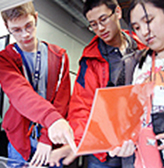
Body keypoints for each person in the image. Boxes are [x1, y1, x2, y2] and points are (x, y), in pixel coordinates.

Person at [48, 0, 146, 167]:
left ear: (118, 13)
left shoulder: (144, 47)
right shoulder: (90, 59)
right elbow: (81, 105)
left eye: (103, 20)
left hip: (138, 143)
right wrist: (77, 142)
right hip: (103, 151)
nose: (100, 28)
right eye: (93, 24)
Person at [0, 1, 75, 167]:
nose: (25, 34)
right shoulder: (4, 59)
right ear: (7, 27)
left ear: (36, 18)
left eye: (29, 26)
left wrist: (47, 137)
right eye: (17, 30)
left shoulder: (59, 56)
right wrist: (51, 119)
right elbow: (20, 93)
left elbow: (61, 101)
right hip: (19, 138)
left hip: (52, 139)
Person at [127, 0, 164, 167]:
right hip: (147, 155)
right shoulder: (140, 64)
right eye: (137, 27)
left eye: (148, 21)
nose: (144, 32)